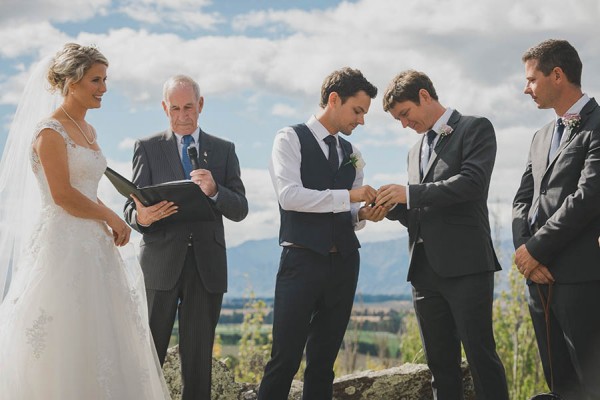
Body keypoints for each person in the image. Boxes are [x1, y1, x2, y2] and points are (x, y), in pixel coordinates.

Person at [0, 43, 170, 399]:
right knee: (64, 335)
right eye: (96, 80)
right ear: (71, 81)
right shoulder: (50, 132)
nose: (104, 88)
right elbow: (62, 194)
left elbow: (86, 189)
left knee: (103, 336)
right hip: (62, 248)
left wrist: (115, 217)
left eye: (105, 79)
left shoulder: (88, 131)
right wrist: (111, 216)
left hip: (95, 247)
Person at [377, 70, 509, 400]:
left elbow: (471, 184)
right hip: (423, 271)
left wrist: (407, 193)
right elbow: (420, 211)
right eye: (398, 120)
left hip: (467, 266)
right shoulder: (413, 152)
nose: (404, 124)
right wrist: (387, 207)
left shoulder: (474, 128)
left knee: (481, 358)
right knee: (439, 365)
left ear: (425, 96)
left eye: (405, 114)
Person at [258, 67, 383, 400]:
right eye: (357, 111)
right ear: (333, 99)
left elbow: (351, 213)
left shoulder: (352, 154)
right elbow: (290, 196)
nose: (361, 120)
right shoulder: (289, 138)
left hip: (344, 262)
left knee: (324, 363)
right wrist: (350, 198)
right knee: (284, 359)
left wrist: (364, 213)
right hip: (301, 260)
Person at [124, 74, 248, 400]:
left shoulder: (223, 150)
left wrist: (215, 190)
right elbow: (130, 207)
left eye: (189, 107)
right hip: (159, 266)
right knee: (148, 358)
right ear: (165, 108)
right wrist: (141, 217)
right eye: (175, 108)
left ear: (201, 105)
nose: (183, 115)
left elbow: (240, 208)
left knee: (198, 363)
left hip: (206, 269)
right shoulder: (147, 149)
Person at [513, 39, 600, 399]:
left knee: (591, 382)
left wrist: (536, 248)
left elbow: (588, 196)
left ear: (558, 75)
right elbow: (522, 199)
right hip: (537, 277)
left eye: (532, 79)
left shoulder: (598, 125)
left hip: (579, 276)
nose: (526, 88)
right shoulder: (540, 136)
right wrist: (524, 252)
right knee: (558, 382)